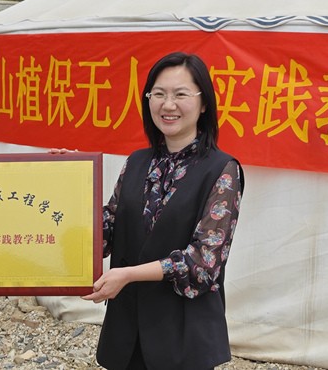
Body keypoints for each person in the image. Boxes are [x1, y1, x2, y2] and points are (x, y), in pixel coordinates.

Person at [83, 52, 244, 370]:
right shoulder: (136, 162)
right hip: (127, 336)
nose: (167, 105)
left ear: (204, 103)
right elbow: (107, 231)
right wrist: (62, 180)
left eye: (180, 94)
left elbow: (203, 264)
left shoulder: (222, 170)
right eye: (158, 94)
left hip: (183, 340)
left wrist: (128, 275)